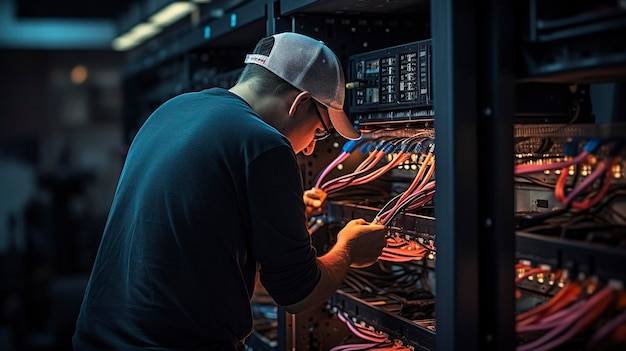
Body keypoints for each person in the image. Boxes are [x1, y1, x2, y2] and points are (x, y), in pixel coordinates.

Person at [72, 32, 387, 350]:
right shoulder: (264, 144)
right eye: (319, 132)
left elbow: (193, 218)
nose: (307, 151)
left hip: (97, 339)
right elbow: (298, 292)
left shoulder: (173, 110)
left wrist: (275, 215)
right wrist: (347, 251)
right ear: (299, 103)